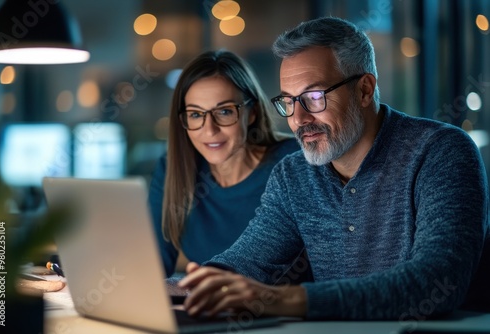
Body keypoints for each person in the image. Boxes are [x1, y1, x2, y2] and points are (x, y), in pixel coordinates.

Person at [177, 17, 489, 320]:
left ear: (365, 90)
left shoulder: (441, 151)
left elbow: (436, 282)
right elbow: (245, 264)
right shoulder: (294, 175)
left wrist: (286, 299)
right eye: (288, 100)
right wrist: (171, 289)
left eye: (314, 97)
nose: (298, 119)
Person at [148, 50, 300, 278]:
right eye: (196, 115)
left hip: (286, 311)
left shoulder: (294, 161)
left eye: (225, 111)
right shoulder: (173, 169)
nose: (210, 130)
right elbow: (152, 267)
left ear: (252, 113)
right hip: (210, 309)